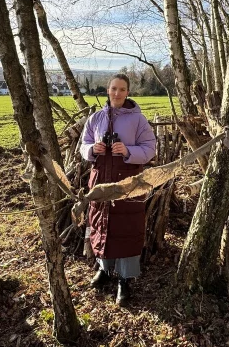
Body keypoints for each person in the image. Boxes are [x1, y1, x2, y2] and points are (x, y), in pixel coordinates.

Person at [79, 73, 156, 306]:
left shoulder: (138, 120)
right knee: (101, 224)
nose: (117, 93)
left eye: (122, 89)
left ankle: (124, 279)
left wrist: (128, 151)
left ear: (128, 92)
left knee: (126, 228)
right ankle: (104, 268)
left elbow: (150, 148)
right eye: (113, 88)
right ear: (108, 90)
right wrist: (94, 149)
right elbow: (83, 146)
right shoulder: (95, 118)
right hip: (100, 180)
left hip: (128, 183)